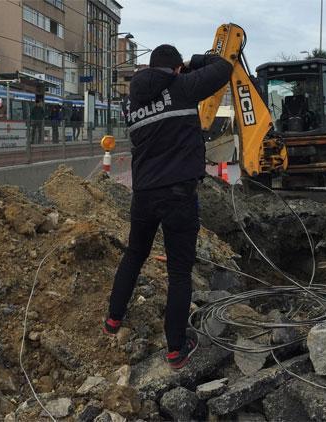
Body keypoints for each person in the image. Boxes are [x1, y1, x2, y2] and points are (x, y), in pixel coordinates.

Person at [102, 44, 232, 369]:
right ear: (175, 69)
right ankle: (176, 348)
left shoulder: (129, 105)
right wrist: (194, 63)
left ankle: (113, 319)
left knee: (134, 254)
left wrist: (178, 71)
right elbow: (224, 68)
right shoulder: (183, 87)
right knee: (178, 272)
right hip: (178, 195)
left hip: (144, 194)